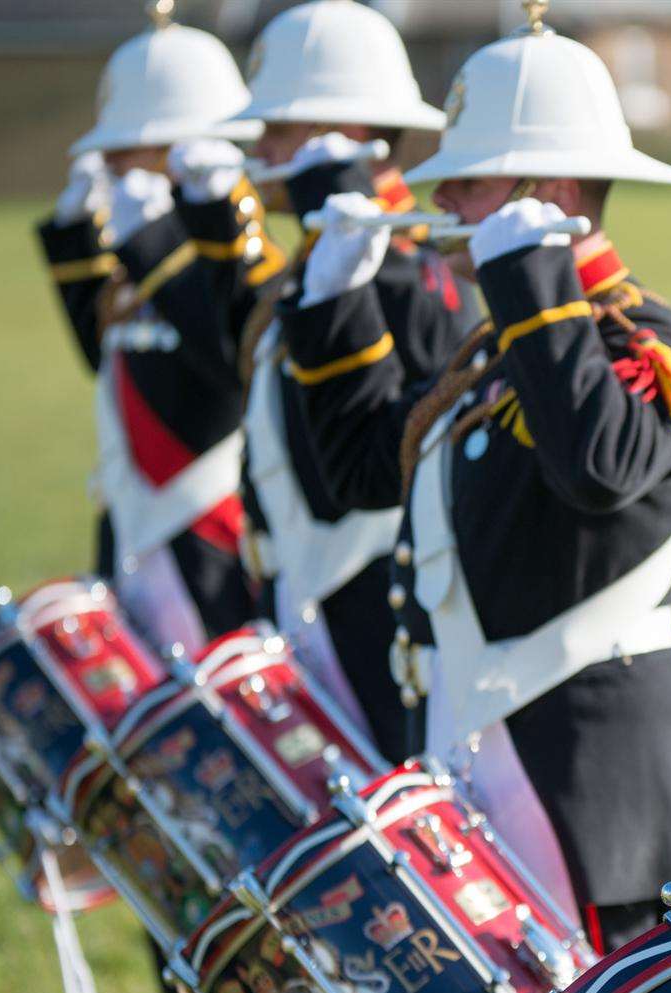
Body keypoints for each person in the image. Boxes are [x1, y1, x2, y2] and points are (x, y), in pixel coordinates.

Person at [280, 1, 671, 951]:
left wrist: (534, 284)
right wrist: (333, 305)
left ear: (543, 190)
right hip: (467, 755)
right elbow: (360, 470)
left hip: (584, 793)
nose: (442, 209)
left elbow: (599, 467)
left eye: (467, 186)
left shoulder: (642, 340)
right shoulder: (488, 355)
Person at [227, 0, 475, 762]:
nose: (260, 145)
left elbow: (376, 472)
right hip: (299, 606)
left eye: (284, 126)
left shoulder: (411, 270)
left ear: (355, 138)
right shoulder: (317, 261)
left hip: (376, 623)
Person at [37, 5, 274, 655]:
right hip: (131, 512)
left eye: (125, 149)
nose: (110, 163)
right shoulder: (138, 253)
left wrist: (159, 242)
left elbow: (225, 355)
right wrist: (77, 246)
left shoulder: (233, 252)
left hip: (209, 526)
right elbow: (105, 349)